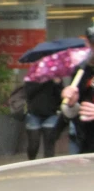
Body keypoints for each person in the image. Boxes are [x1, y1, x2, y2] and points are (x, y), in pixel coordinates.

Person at [61, 25, 94, 154]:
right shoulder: (83, 70)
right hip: (87, 143)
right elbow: (73, 112)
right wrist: (72, 103)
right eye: (91, 43)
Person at [24, 79, 63, 159]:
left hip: (51, 114)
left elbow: (61, 97)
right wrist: (41, 80)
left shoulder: (55, 77)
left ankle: (48, 166)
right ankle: (31, 162)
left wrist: (57, 84)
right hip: (33, 114)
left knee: (49, 144)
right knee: (33, 145)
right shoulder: (32, 76)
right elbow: (28, 93)